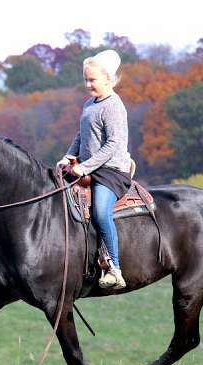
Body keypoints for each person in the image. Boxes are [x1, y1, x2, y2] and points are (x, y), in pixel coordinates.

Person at [57, 49, 132, 289]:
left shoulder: (114, 106)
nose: (88, 84)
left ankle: (114, 268)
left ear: (108, 79)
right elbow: (82, 134)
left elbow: (113, 145)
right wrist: (68, 157)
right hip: (89, 168)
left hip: (111, 172)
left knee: (100, 212)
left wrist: (85, 167)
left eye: (93, 80)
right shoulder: (90, 104)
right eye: (86, 79)